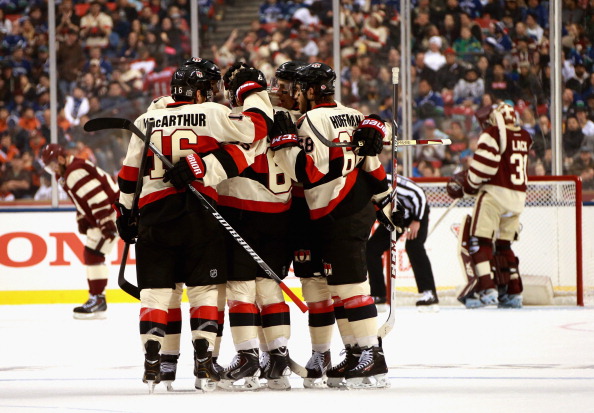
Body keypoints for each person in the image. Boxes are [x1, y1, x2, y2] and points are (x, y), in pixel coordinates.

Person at [115, 58, 273, 392]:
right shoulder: (212, 113)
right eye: (211, 88)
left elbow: (130, 175)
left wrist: (125, 214)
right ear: (200, 91)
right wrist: (255, 94)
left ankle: (154, 361)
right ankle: (204, 360)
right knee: (204, 292)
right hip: (199, 215)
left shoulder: (146, 119)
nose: (213, 93)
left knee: (156, 295)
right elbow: (255, 129)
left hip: (154, 216)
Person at [272, 62, 392, 389]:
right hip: (349, 206)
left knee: (350, 286)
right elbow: (374, 157)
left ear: (309, 91)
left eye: (296, 88)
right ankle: (355, 352)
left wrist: (284, 143)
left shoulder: (308, 121)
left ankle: (371, 354)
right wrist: (385, 198)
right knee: (339, 287)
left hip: (336, 209)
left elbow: (308, 172)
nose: (291, 93)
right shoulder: (353, 115)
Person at [447, 102, 532, 309]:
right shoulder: (524, 136)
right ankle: (513, 292)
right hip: (518, 198)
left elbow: (483, 168)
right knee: (504, 245)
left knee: (478, 242)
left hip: (495, 195)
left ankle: (487, 288)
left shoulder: (493, 133)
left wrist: (468, 186)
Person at [41, 143, 119, 319]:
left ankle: (98, 299)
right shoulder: (69, 170)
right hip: (108, 213)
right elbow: (82, 199)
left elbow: (96, 197)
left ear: (61, 159)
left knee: (93, 254)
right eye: (49, 167)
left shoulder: (74, 171)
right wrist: (83, 218)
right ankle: (97, 298)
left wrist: (106, 223)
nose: (52, 169)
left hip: (111, 214)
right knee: (92, 254)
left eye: (53, 164)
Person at [367, 174, 439, 311]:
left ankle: (429, 293)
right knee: (371, 249)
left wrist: (417, 220)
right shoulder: (362, 186)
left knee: (414, 246)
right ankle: (378, 295)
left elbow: (417, 193)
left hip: (416, 212)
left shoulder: (384, 180)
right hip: (396, 215)